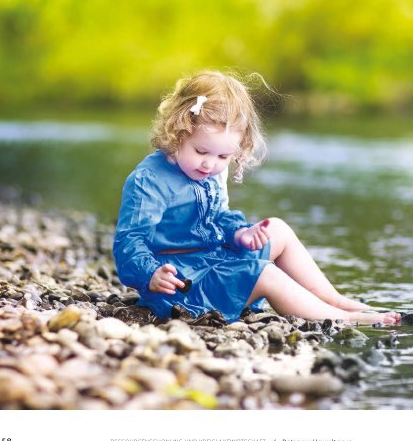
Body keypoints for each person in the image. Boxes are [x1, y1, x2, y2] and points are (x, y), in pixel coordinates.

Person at [113, 70, 400, 325]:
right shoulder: (149, 180)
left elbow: (218, 219)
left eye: (223, 156)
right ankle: (344, 318)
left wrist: (241, 234)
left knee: (278, 229)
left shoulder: (211, 171)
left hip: (214, 259)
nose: (210, 164)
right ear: (178, 133)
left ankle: (333, 300)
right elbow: (130, 242)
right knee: (265, 273)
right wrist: (151, 274)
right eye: (201, 151)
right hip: (182, 284)